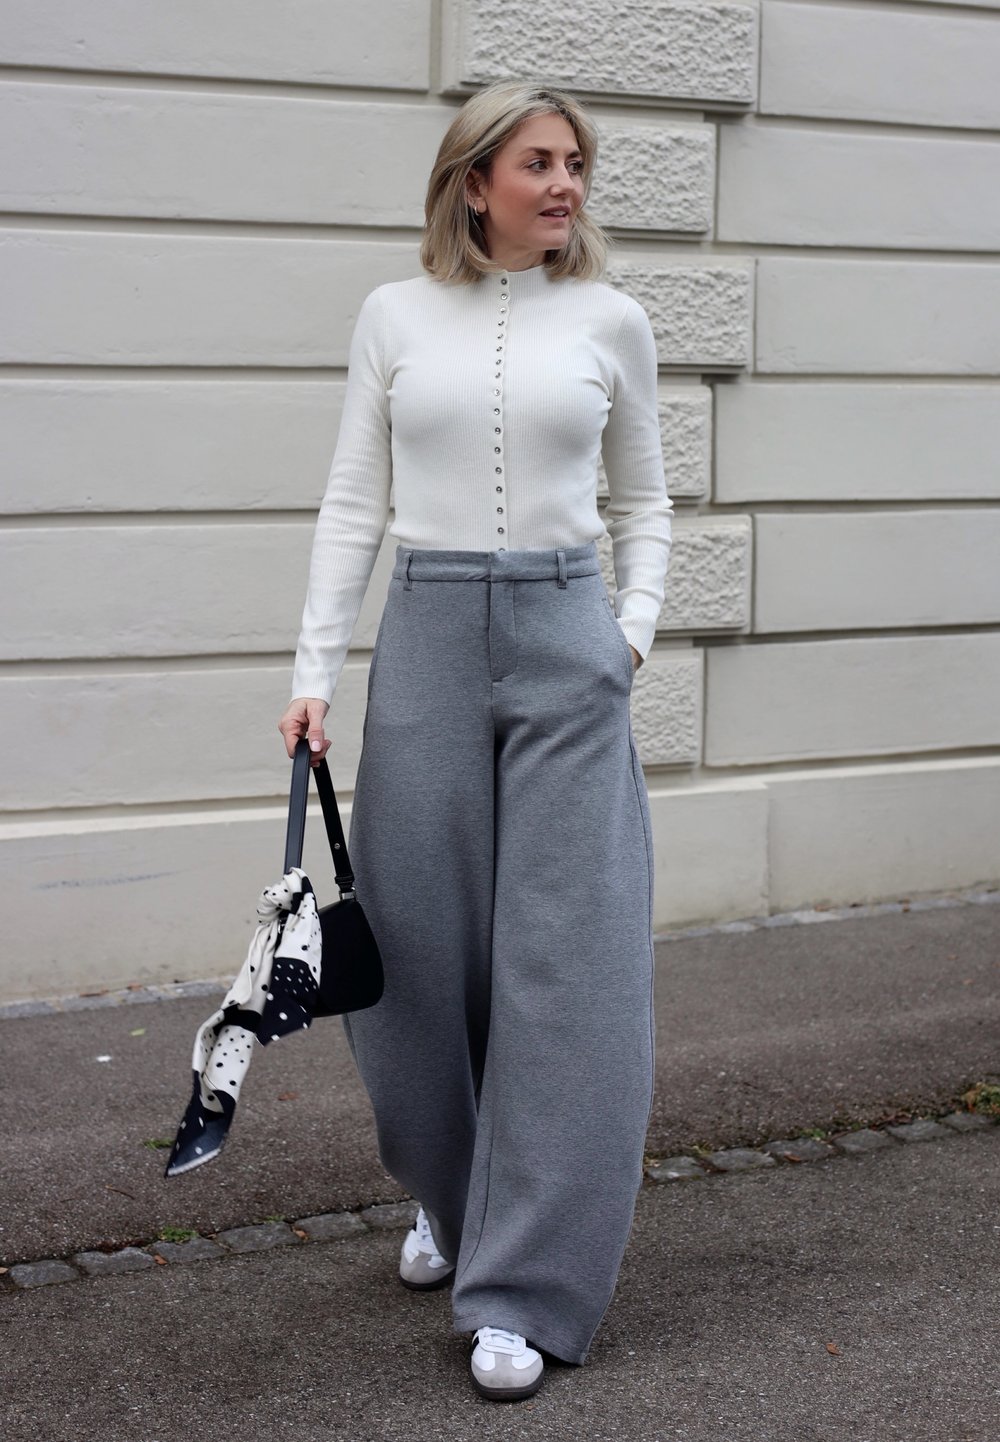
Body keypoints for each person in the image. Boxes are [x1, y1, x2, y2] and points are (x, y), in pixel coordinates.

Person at [277, 78, 673, 1403]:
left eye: (575, 164)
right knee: (416, 953)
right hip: (429, 636)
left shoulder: (611, 320)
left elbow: (646, 500)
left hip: (569, 640)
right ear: (474, 180)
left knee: (567, 965)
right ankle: (455, 1197)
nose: (565, 185)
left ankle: (526, 1285)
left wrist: (627, 636)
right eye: (539, 162)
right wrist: (314, 674)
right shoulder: (394, 315)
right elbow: (353, 499)